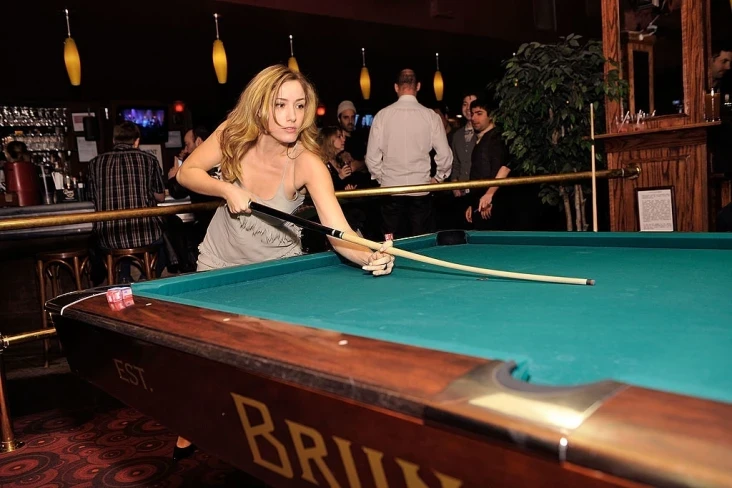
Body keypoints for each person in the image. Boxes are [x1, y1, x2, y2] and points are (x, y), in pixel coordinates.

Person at [175, 65, 395, 459]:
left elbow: (339, 233)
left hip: (276, 277)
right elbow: (187, 173)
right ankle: (193, 419)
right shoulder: (232, 136)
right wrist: (225, 188)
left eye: (299, 105)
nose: (292, 116)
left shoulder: (307, 163)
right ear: (260, 106)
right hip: (218, 267)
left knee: (268, 367)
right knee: (204, 356)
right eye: (280, 105)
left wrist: (371, 255)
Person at [365, 69, 452, 238]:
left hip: (391, 191)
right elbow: (445, 155)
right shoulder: (430, 116)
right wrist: (438, 178)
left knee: (391, 243)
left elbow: (371, 158)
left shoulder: (382, 116)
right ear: (418, 86)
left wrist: (385, 179)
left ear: (396, 87)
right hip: (421, 190)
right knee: (421, 242)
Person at [87, 122, 166, 283]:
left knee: (119, 233)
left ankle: (124, 276)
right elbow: (160, 197)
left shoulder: (95, 163)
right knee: (168, 238)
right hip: (146, 234)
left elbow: (91, 197)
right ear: (137, 141)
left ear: (113, 140)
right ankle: (148, 276)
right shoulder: (149, 160)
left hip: (108, 236)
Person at [464, 98, 511, 230]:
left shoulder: (496, 138)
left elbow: (503, 168)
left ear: (491, 116)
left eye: (479, 113)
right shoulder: (485, 138)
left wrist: (489, 196)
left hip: (490, 203)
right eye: (472, 114)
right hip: (481, 202)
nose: (473, 118)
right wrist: (473, 204)